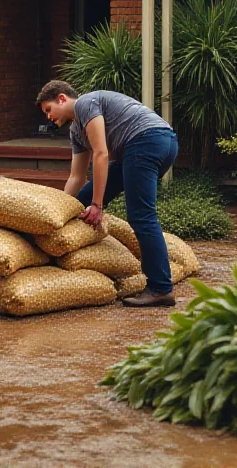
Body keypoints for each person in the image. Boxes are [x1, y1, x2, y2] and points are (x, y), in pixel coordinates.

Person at [36, 80, 178, 308]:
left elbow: (101, 154)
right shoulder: (76, 132)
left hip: (148, 140)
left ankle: (161, 288)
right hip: (152, 143)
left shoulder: (84, 104)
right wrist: (60, 212)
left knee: (141, 215)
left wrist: (98, 205)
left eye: (48, 110)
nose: (48, 117)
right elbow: (76, 176)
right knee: (81, 201)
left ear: (61, 98)